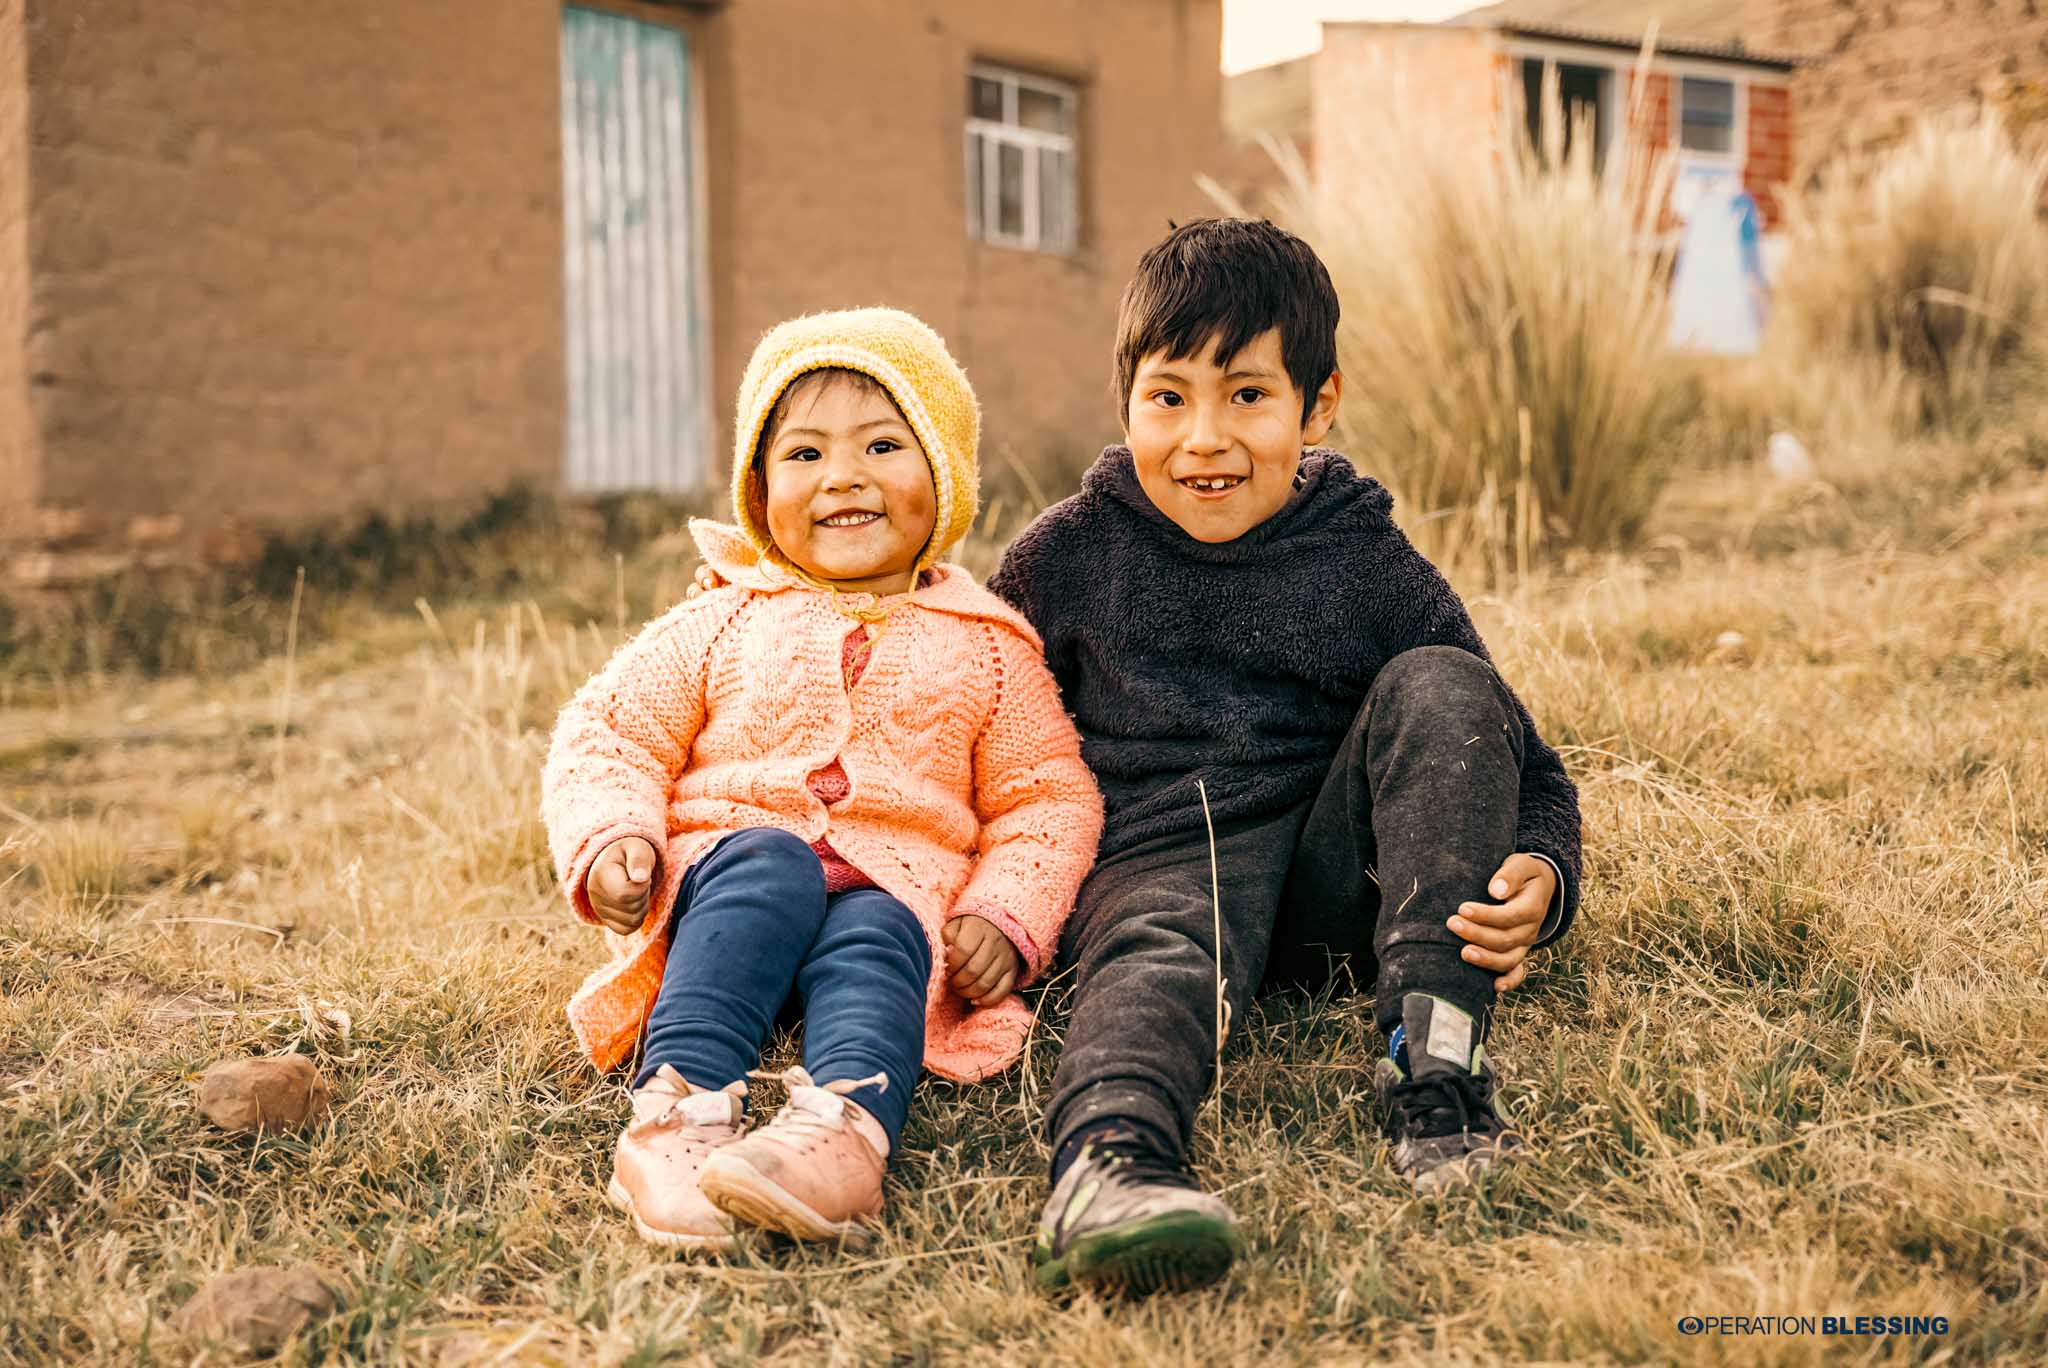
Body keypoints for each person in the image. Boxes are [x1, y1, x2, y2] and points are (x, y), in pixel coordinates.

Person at [986, 219, 1585, 1295]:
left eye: (1247, 396)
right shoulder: (1064, 557)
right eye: (1168, 397)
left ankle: (1434, 1067)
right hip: (1157, 868)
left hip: (1331, 883)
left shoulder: (1361, 557)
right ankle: (1107, 1165)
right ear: (1123, 400)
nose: (1203, 437)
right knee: (1158, 961)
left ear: (1317, 406)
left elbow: (1516, 755)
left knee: (1444, 682)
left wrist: (1541, 869)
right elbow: (969, 721)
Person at [542, 307, 1102, 1252]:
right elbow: (609, 731)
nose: (842, 476)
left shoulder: (991, 649)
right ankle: (677, 1110)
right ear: (760, 492)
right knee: (772, 863)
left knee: (881, 930)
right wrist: (614, 838)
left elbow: (1047, 797)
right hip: (729, 880)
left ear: (946, 474)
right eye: (804, 455)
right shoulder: (726, 618)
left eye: (883, 444)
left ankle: (842, 1136)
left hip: (894, 890)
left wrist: (1006, 912)